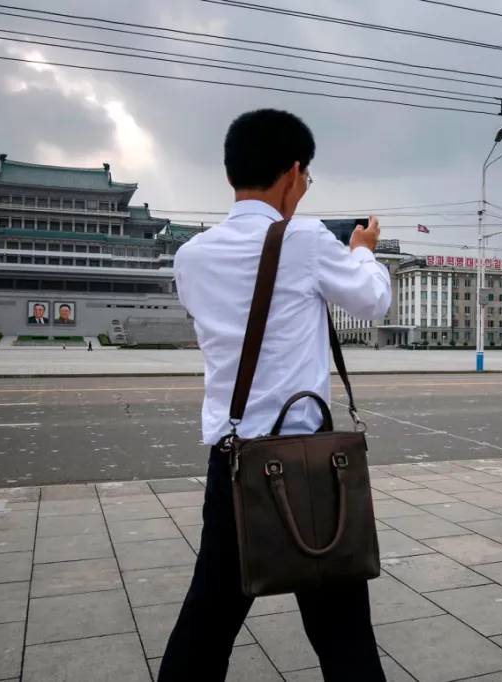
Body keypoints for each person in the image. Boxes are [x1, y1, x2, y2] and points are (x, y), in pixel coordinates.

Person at [158, 109, 391, 682]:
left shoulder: (190, 257)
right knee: (343, 634)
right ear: (293, 172)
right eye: (307, 176)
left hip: (234, 463)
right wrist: (363, 249)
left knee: (208, 621)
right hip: (308, 465)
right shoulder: (308, 239)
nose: (305, 187)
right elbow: (372, 302)